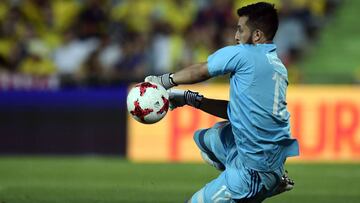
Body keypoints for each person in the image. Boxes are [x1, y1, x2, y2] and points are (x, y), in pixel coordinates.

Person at [145, 2, 299, 202]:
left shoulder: (245, 53)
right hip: (272, 161)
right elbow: (236, 113)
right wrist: (189, 99)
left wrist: (163, 81)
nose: (236, 37)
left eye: (240, 30)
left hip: (253, 171)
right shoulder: (278, 67)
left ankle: (252, 185)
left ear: (257, 35)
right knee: (206, 137)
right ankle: (271, 180)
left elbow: (201, 70)